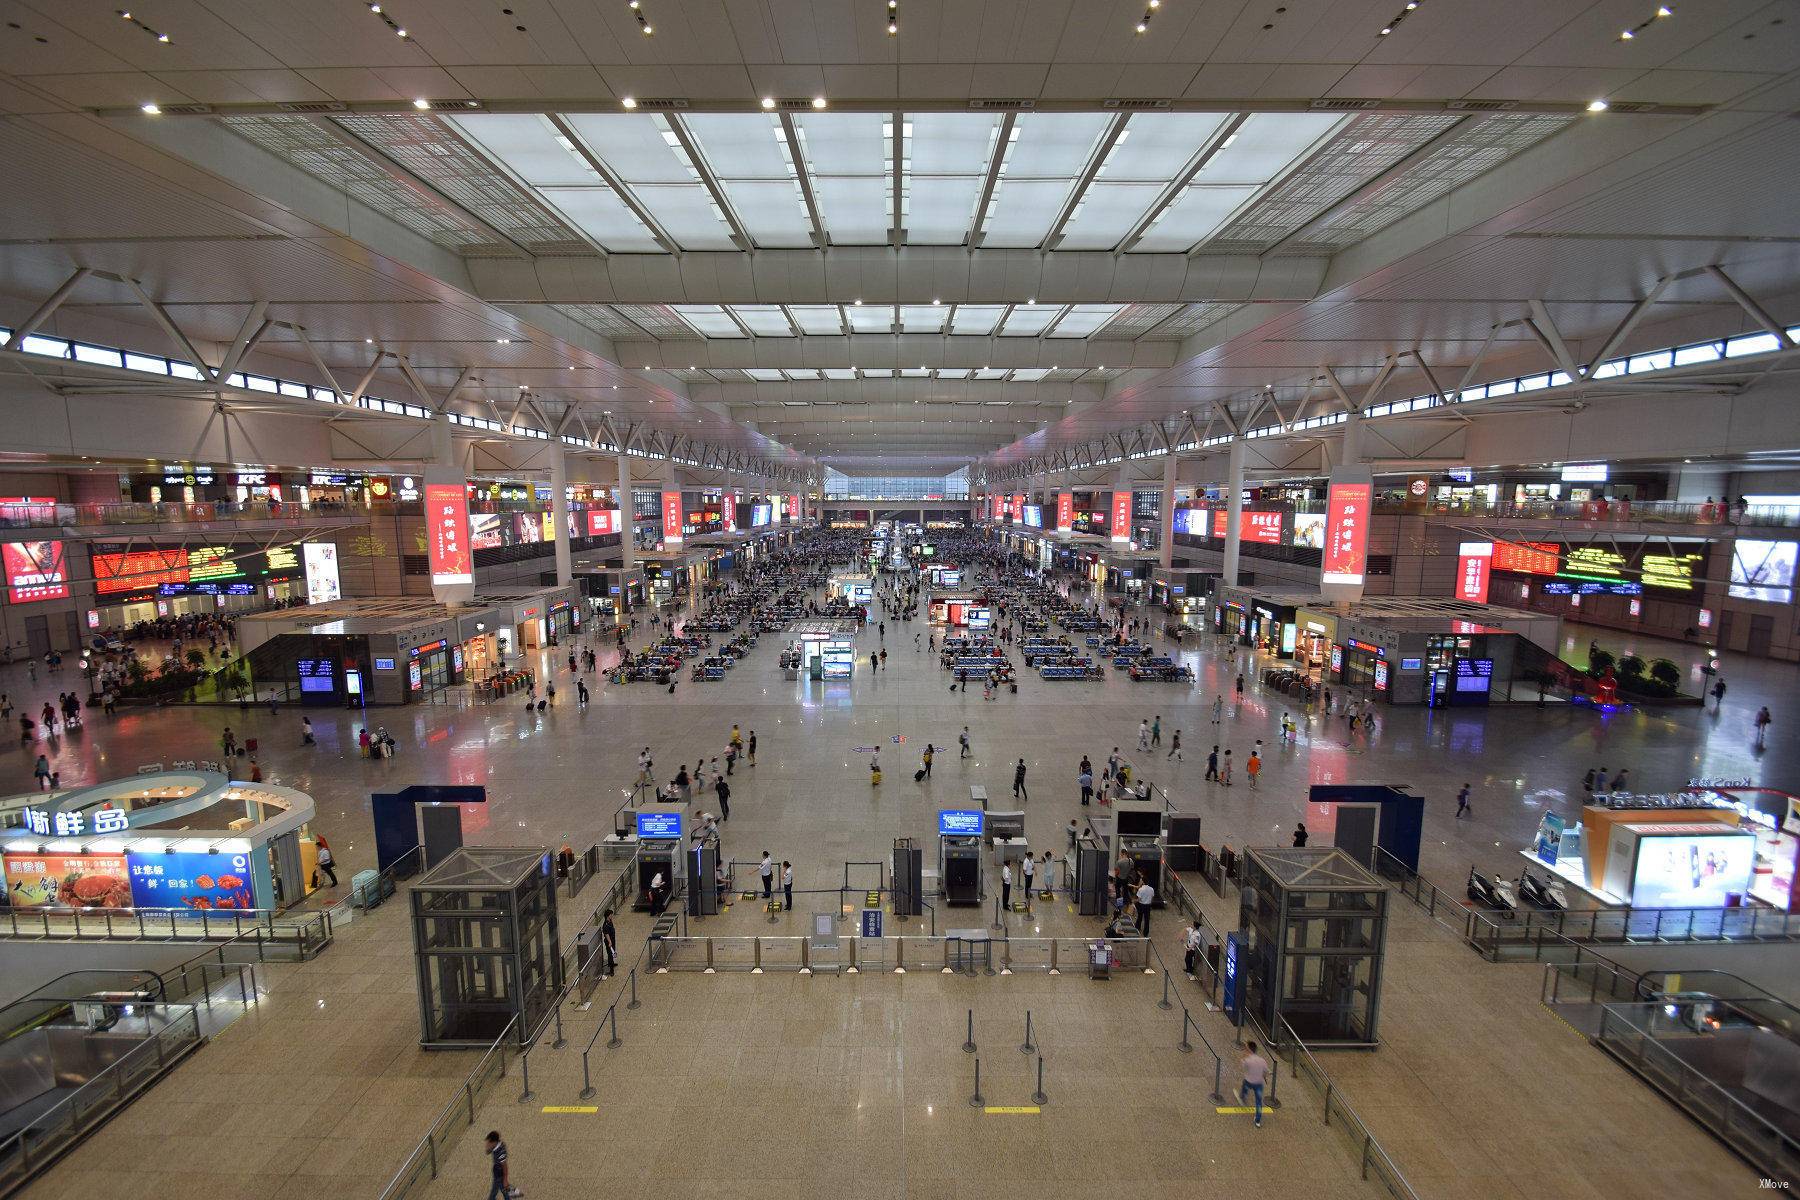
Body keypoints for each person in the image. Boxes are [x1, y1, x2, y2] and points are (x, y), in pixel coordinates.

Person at [1239, 1043, 1269, 1128]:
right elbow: (1266, 1071)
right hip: (1259, 1083)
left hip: (1249, 1081)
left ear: (1249, 1050)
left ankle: (1243, 1097)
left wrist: (1244, 1056)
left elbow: (1243, 1065)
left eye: (1246, 1049)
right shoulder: (1262, 1060)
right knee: (1259, 1102)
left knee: (1244, 1087)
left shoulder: (1248, 1060)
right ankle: (1258, 1120)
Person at [484, 1131, 517, 1200]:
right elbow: (487, 1152)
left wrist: (505, 1179)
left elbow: (505, 1166)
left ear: (494, 1142)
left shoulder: (501, 1152)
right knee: (496, 1188)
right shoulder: (496, 1145)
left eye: (489, 1142)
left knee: (503, 1189)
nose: (487, 1144)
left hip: (500, 1173)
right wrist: (488, 1147)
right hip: (496, 1171)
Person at [600, 909, 618, 977]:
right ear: (608, 916)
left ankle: (612, 963)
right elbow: (606, 934)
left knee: (613, 952)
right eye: (611, 915)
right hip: (609, 941)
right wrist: (610, 942)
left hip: (613, 939)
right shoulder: (606, 925)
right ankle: (611, 970)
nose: (612, 915)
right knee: (610, 954)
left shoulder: (609, 921)